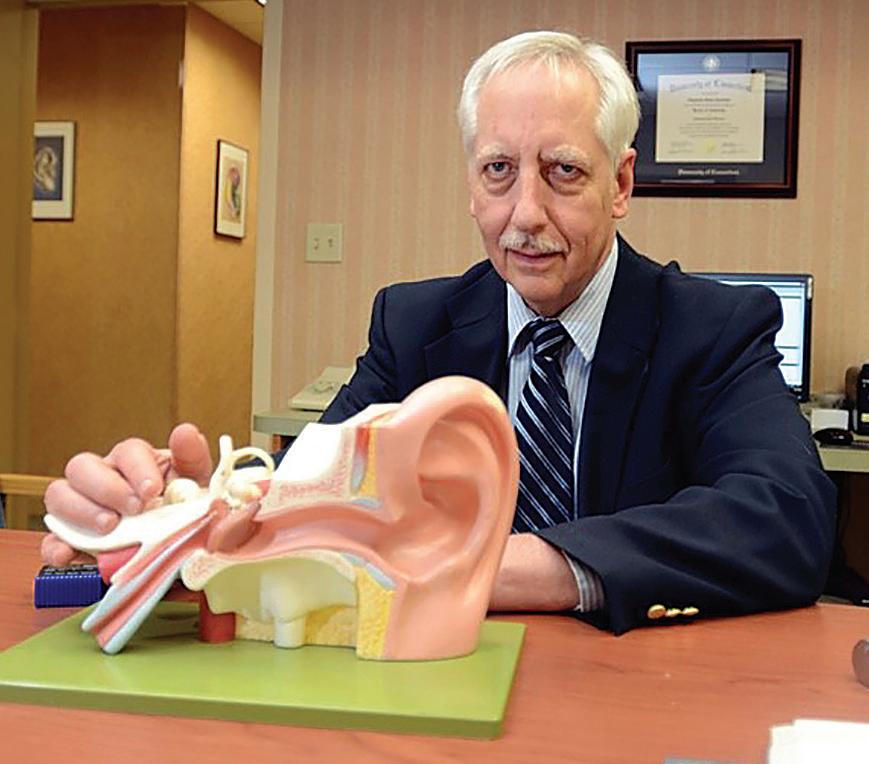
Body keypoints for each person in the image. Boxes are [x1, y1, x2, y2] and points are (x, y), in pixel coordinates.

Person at [42, 31, 835, 634]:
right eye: (498, 170)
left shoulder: (711, 327)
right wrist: (168, 520)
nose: (524, 214)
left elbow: (787, 518)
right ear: (471, 182)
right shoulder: (413, 325)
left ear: (620, 182)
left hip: (628, 687)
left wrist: (507, 568)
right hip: (424, 676)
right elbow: (303, 500)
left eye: (562, 171)